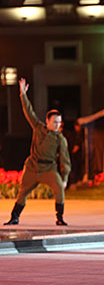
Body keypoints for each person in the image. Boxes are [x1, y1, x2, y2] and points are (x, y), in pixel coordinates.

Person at [4, 78, 71, 226]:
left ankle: (59, 218)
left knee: (59, 188)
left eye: (59, 122)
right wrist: (23, 94)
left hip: (49, 169)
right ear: (47, 121)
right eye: (55, 122)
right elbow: (29, 111)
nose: (57, 125)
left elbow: (65, 160)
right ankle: (14, 217)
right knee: (22, 193)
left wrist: (65, 177)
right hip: (33, 166)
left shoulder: (61, 138)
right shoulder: (38, 128)